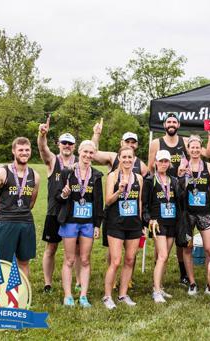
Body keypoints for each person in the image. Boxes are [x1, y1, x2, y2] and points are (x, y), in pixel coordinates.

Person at [148, 112, 210, 286]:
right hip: (163, 193)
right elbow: (150, 168)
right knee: (164, 241)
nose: (171, 124)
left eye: (174, 121)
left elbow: (207, 152)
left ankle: (184, 275)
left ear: (178, 124)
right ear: (164, 125)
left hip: (181, 194)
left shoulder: (186, 142)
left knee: (180, 240)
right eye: (168, 121)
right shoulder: (156, 143)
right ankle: (159, 279)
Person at [0, 137, 40, 277]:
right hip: (5, 223)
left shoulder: (35, 176)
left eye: (27, 150)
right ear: (13, 151)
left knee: (24, 262)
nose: (24, 153)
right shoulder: (3, 172)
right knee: (1, 263)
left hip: (26, 223)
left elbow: (31, 203)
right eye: (20, 150)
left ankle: (21, 296)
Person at [56, 140, 103, 308]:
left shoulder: (96, 175)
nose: (88, 156)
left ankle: (83, 296)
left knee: (84, 260)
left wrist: (97, 225)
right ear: (80, 152)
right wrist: (64, 194)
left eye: (91, 153)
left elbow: (98, 202)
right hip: (70, 221)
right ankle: (68, 296)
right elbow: (57, 198)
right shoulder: (67, 173)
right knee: (69, 260)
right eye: (85, 152)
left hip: (88, 223)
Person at [37, 115, 81, 294]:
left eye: (70, 143)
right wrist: (42, 135)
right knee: (51, 248)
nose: (67, 146)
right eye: (64, 142)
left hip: (75, 211)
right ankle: (48, 283)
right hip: (54, 211)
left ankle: (78, 282)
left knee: (77, 250)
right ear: (59, 144)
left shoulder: (80, 162)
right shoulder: (53, 160)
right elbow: (42, 148)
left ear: (74, 146)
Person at [103, 146, 144, 309]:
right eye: (124, 157)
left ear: (134, 159)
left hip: (133, 224)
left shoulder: (139, 178)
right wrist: (119, 191)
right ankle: (107, 296)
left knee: (129, 260)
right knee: (116, 261)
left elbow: (139, 202)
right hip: (116, 224)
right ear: (119, 158)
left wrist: (141, 224)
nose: (127, 160)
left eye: (130, 157)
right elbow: (107, 201)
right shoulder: (113, 176)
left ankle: (122, 294)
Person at [178, 135, 210, 295]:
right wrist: (182, 175)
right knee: (187, 249)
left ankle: (209, 283)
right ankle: (192, 283)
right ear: (188, 149)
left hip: (205, 212)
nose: (194, 150)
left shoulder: (208, 167)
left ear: (201, 149)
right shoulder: (183, 166)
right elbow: (179, 191)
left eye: (197, 147)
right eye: (192, 147)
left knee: (209, 249)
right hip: (188, 214)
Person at [142, 150, 181, 303]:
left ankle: (159, 286)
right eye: (161, 161)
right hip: (158, 223)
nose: (164, 164)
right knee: (163, 255)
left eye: (166, 161)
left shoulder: (174, 180)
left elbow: (180, 199)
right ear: (155, 163)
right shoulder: (150, 181)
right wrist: (148, 220)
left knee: (163, 258)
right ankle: (156, 291)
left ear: (169, 163)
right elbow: (144, 204)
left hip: (172, 221)